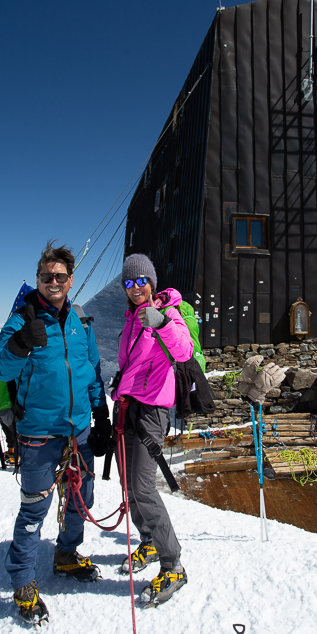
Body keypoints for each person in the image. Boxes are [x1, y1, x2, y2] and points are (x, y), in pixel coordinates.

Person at [0, 242, 110, 626]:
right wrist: (21, 342)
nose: (54, 282)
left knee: (80, 497)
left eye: (60, 276)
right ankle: (23, 579)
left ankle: (66, 554)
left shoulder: (81, 321)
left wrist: (100, 410)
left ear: (70, 280)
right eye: (47, 277)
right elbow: (2, 370)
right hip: (40, 434)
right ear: (39, 280)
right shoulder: (22, 319)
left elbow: (90, 369)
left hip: (78, 430)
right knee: (34, 507)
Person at [112, 253, 193, 606]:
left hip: (152, 411)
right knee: (128, 483)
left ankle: (173, 564)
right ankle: (147, 540)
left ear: (152, 282)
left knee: (144, 487)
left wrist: (161, 323)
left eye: (141, 281)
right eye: (128, 283)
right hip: (128, 407)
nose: (135, 288)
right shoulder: (130, 318)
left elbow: (185, 350)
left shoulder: (168, 313)